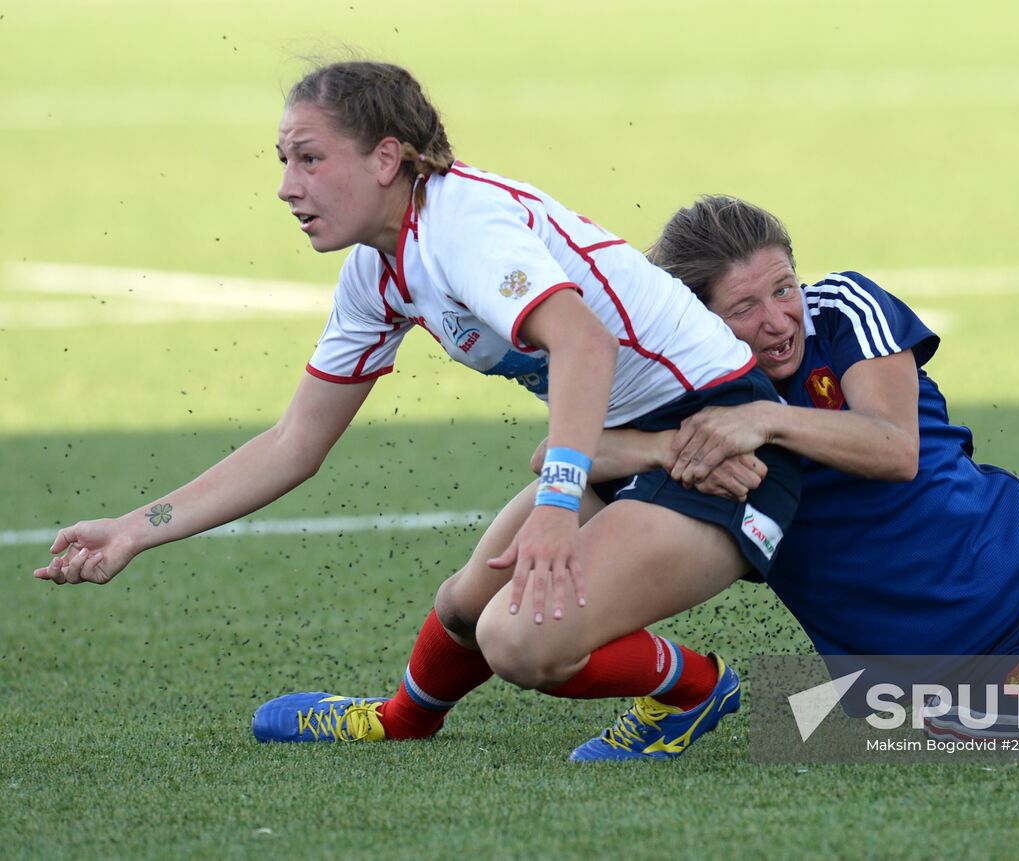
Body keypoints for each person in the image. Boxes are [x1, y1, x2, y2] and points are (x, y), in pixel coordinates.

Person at [32, 62, 800, 761]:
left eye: (309, 158)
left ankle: (699, 687)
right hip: (628, 442)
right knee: (465, 606)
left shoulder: (460, 227)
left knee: (519, 641)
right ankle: (404, 716)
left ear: (388, 158)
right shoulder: (377, 270)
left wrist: (558, 507)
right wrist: (135, 528)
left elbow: (585, 345)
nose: (287, 187)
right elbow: (295, 441)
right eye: (283, 162)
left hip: (721, 443)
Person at [437, 194, 1019, 745]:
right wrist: (654, 448)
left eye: (782, 288)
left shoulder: (847, 311)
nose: (779, 319)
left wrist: (764, 419)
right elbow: (565, 452)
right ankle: (950, 719)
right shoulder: (676, 388)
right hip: (947, 658)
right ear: (696, 321)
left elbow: (894, 450)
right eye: (745, 308)